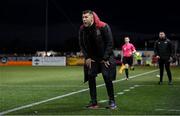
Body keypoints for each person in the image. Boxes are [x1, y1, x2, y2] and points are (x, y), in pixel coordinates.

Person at [79, 10, 117, 109]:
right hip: (92, 57)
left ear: (92, 17)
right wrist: (87, 57)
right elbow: (81, 44)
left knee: (106, 76)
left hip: (105, 56)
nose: (84, 19)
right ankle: (94, 102)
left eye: (86, 17)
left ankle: (112, 101)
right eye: (83, 17)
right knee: (90, 75)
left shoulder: (103, 26)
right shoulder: (82, 29)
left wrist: (105, 57)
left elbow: (110, 43)